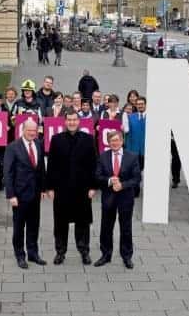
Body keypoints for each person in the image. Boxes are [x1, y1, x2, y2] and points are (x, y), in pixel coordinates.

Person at [45, 110, 99, 265]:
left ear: (79, 121)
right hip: (61, 189)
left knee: (83, 222)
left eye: (74, 120)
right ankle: (60, 252)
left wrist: (93, 186)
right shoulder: (56, 139)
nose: (72, 122)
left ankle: (84, 251)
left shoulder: (88, 139)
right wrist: (50, 188)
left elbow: (93, 164)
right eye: (69, 120)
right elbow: (51, 165)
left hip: (82, 189)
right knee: (60, 222)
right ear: (65, 121)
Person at [94, 131, 142, 269]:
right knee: (106, 227)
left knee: (126, 228)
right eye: (112, 141)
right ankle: (105, 255)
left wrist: (123, 185)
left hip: (125, 198)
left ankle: (127, 257)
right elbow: (97, 176)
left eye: (117, 140)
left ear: (122, 141)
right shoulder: (103, 156)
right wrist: (109, 180)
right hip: (108, 198)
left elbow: (137, 178)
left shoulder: (132, 157)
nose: (114, 143)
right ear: (108, 142)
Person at [4, 119, 47, 269]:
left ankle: (33, 254)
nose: (32, 133)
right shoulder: (12, 147)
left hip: (35, 194)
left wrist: (43, 189)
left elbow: (41, 169)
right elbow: (8, 173)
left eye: (34, 131)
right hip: (20, 195)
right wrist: (11, 195)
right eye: (29, 130)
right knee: (19, 227)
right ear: (23, 130)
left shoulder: (38, 144)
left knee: (34, 225)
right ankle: (20, 255)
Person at [123, 97, 147, 197]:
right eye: (138, 104)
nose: (140, 106)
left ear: (145, 105)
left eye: (142, 104)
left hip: (146, 150)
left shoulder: (152, 117)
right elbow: (127, 133)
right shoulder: (130, 117)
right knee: (135, 171)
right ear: (136, 106)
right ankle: (135, 190)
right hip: (133, 150)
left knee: (146, 171)